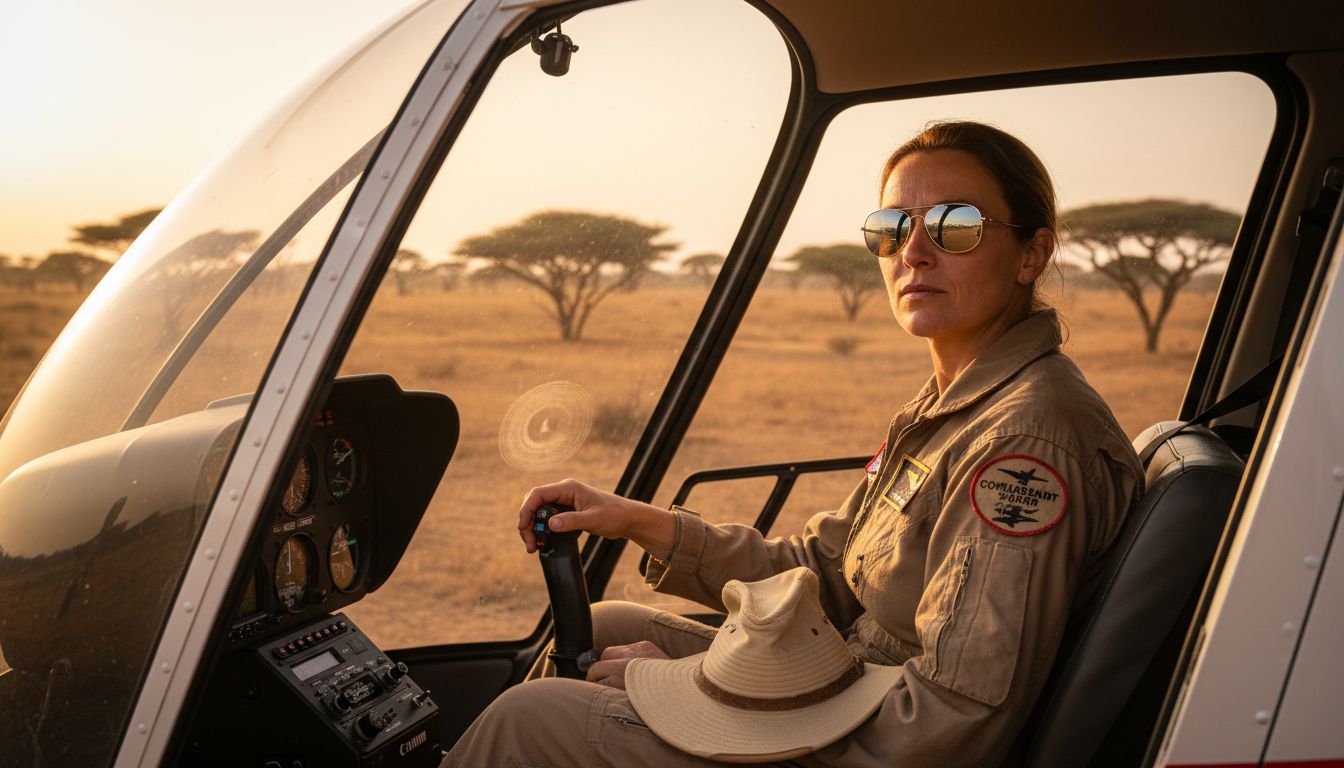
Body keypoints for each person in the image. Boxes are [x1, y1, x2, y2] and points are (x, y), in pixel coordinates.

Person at [441, 121, 1143, 767]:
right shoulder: (955, 405)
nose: (914, 251)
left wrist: (686, 688)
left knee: (528, 720)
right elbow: (825, 573)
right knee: (605, 623)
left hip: (880, 737)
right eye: (892, 227)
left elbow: (949, 720)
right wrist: (636, 521)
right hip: (857, 686)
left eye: (954, 225)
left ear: (1031, 255)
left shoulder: (1023, 445)